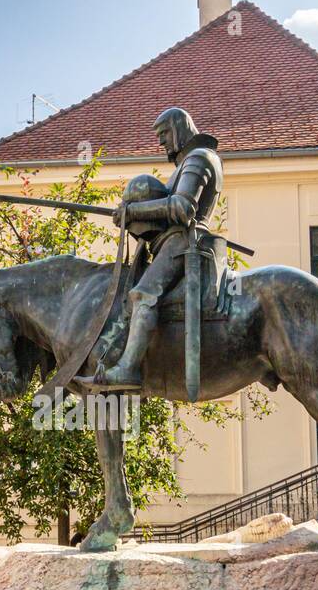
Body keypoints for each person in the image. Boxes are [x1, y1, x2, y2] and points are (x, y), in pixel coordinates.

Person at [77, 108, 224, 392]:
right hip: (171, 241)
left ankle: (129, 368)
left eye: (165, 134)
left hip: (183, 242)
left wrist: (133, 210)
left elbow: (183, 208)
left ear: (180, 128)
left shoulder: (199, 158)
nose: (161, 143)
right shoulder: (186, 163)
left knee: (143, 295)